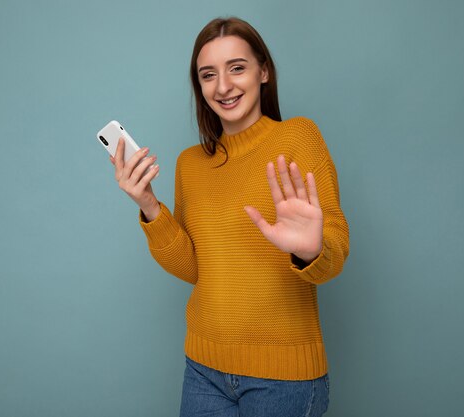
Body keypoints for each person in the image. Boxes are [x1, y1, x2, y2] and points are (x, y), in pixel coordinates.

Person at [110, 16, 349, 417]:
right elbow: (193, 267)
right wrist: (149, 206)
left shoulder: (298, 136)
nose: (222, 86)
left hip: (283, 380)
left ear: (264, 70)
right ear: (199, 87)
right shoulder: (190, 164)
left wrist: (311, 251)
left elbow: (336, 251)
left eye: (237, 67)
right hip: (203, 370)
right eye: (208, 75)